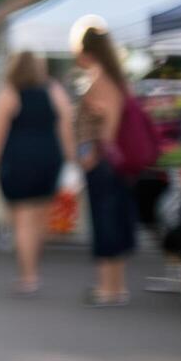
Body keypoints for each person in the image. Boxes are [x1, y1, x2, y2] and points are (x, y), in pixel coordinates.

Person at [0, 52, 76, 295]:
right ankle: (33, 266)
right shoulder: (54, 91)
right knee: (40, 217)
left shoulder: (9, 94)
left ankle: (28, 275)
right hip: (49, 158)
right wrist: (70, 157)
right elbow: (66, 123)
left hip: (19, 160)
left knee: (23, 220)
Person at [72, 25, 136, 305]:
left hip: (103, 163)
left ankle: (108, 288)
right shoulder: (115, 78)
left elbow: (108, 121)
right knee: (114, 219)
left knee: (105, 221)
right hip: (114, 163)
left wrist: (94, 152)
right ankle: (115, 285)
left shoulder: (101, 80)